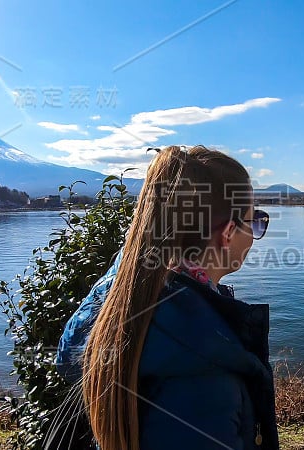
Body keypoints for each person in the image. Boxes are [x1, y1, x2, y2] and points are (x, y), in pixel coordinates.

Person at [55, 145, 278, 450]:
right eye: (254, 221)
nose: (255, 233)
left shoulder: (117, 299)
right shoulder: (205, 377)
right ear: (227, 234)